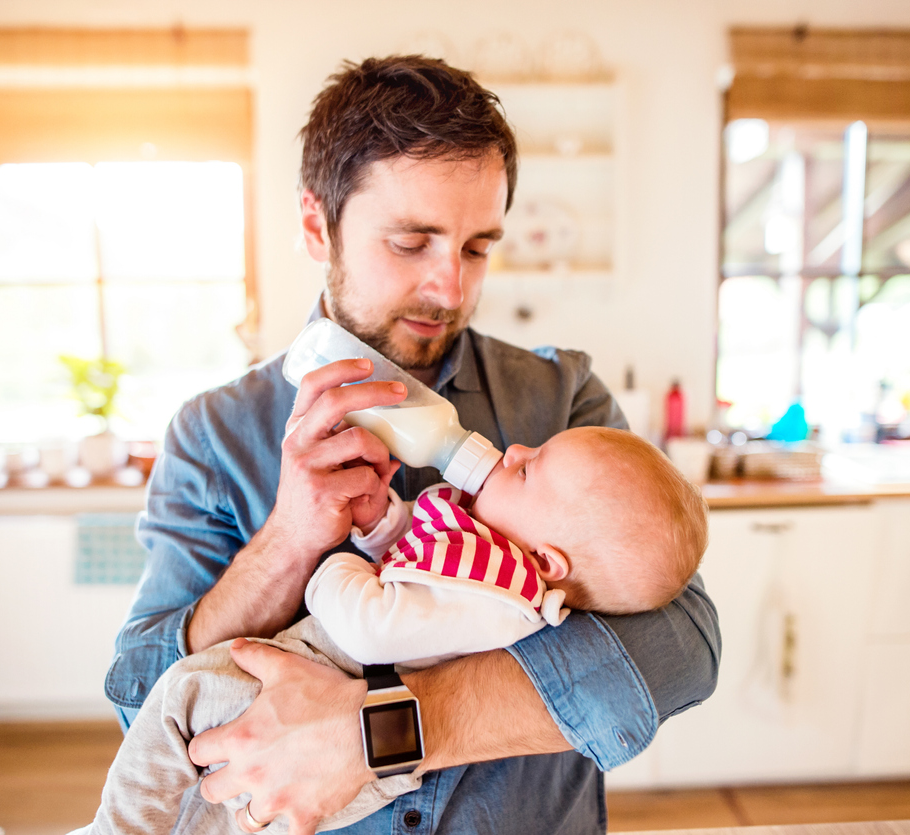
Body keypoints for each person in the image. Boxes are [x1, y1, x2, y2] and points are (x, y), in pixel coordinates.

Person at [105, 55, 721, 835]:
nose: (450, 289)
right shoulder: (214, 432)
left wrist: (381, 731)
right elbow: (139, 697)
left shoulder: (560, 399)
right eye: (409, 242)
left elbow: (680, 647)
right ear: (315, 225)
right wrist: (287, 544)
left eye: (476, 247)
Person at [86, 427, 709, 835]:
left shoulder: (498, 594)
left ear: (547, 561)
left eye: (529, 470)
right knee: (217, 805)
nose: (515, 450)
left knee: (180, 696)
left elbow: (377, 627)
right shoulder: (497, 563)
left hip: (328, 693)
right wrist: (381, 526)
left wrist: (334, 567)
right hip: (321, 761)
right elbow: (423, 580)